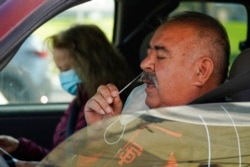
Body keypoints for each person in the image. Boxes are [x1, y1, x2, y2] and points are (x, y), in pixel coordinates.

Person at [0, 24, 134, 163]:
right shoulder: (78, 103)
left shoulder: (113, 106)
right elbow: (59, 157)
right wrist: (19, 147)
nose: (63, 76)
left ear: (92, 63)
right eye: (60, 69)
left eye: (67, 68)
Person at [84, 11, 230, 126]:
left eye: (160, 56)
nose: (144, 64)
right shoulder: (139, 98)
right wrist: (104, 132)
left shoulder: (224, 137)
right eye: (148, 54)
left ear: (201, 71)